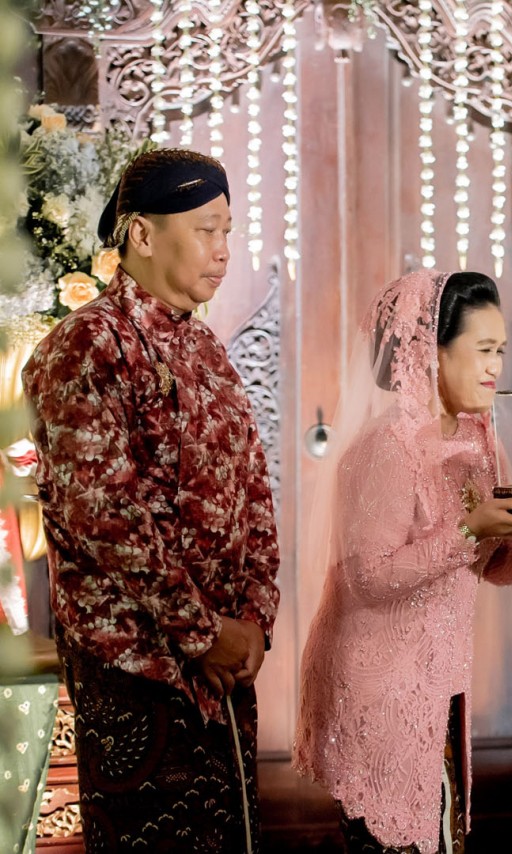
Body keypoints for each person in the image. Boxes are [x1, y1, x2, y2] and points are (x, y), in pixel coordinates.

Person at [22, 148, 280, 852]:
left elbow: (255, 492)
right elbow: (108, 520)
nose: (223, 251)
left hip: (225, 668)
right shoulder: (84, 347)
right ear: (141, 233)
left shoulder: (206, 350)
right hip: (138, 672)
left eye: (228, 232)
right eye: (205, 229)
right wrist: (203, 633)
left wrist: (254, 621)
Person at [294, 270, 512, 854]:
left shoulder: (480, 440)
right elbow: (370, 577)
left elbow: (495, 562)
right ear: (429, 352)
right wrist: (468, 529)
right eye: (483, 350)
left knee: (443, 837)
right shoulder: (385, 447)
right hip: (380, 689)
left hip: (441, 686)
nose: (495, 367)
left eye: (500, 351)